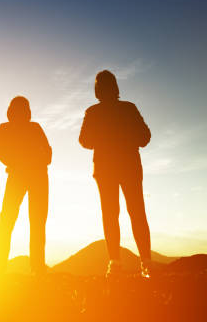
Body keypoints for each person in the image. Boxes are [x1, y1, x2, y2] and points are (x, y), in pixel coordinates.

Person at [79, 70, 152, 278]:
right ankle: (144, 262)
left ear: (97, 90)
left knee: (111, 214)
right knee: (136, 212)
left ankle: (116, 263)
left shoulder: (93, 112)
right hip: (127, 166)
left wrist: (104, 138)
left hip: (106, 169)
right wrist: (126, 138)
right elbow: (145, 137)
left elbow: (84, 140)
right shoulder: (128, 108)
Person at [0, 96, 52, 276]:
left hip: (37, 176)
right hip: (21, 176)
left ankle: (37, 266)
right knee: (9, 220)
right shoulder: (6, 128)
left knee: (36, 221)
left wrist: (22, 161)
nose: (22, 113)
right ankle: (1, 265)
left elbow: (48, 153)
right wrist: (19, 162)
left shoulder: (35, 127)